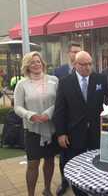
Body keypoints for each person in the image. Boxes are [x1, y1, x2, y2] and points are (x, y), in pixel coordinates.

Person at [53, 51, 108, 196]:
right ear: (75, 65)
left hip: (97, 132)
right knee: (77, 169)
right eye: (83, 64)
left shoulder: (99, 78)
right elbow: (60, 110)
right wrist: (61, 133)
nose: (88, 67)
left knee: (97, 164)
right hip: (74, 133)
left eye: (90, 64)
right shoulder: (65, 82)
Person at [14, 51, 59, 196]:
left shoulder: (54, 79)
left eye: (38, 61)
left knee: (50, 160)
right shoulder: (22, 84)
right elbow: (17, 107)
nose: (36, 64)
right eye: (32, 62)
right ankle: (31, 194)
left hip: (51, 128)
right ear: (27, 65)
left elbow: (59, 101)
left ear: (43, 63)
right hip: (33, 130)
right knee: (33, 164)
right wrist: (30, 115)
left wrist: (48, 114)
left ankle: (47, 189)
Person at [54, 41, 81, 196]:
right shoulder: (59, 72)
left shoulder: (86, 69)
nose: (75, 54)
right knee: (64, 156)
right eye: (73, 51)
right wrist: (60, 130)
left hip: (81, 123)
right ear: (68, 54)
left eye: (78, 51)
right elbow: (58, 104)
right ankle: (64, 182)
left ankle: (80, 183)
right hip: (65, 121)